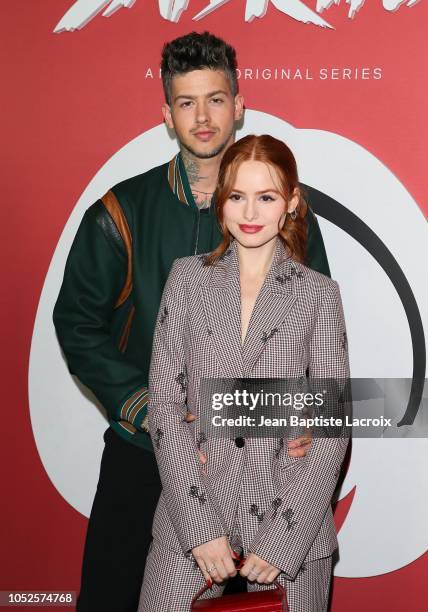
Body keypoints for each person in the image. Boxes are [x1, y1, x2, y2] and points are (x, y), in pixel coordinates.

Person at [53, 33, 329, 612]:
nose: (203, 117)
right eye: (186, 102)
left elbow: (312, 347)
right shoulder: (121, 210)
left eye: (216, 99)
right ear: (166, 114)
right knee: (113, 597)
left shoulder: (285, 215)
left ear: (239, 104)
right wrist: (152, 412)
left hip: (261, 468)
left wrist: (303, 422)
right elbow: (76, 322)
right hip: (147, 456)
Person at [138, 135, 350, 612]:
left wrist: (281, 543)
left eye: (267, 196)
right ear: (221, 200)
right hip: (191, 515)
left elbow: (331, 429)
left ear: (291, 202)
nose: (249, 212)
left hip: (288, 522)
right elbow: (166, 402)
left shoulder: (318, 295)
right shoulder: (187, 279)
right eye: (237, 195)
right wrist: (200, 529)